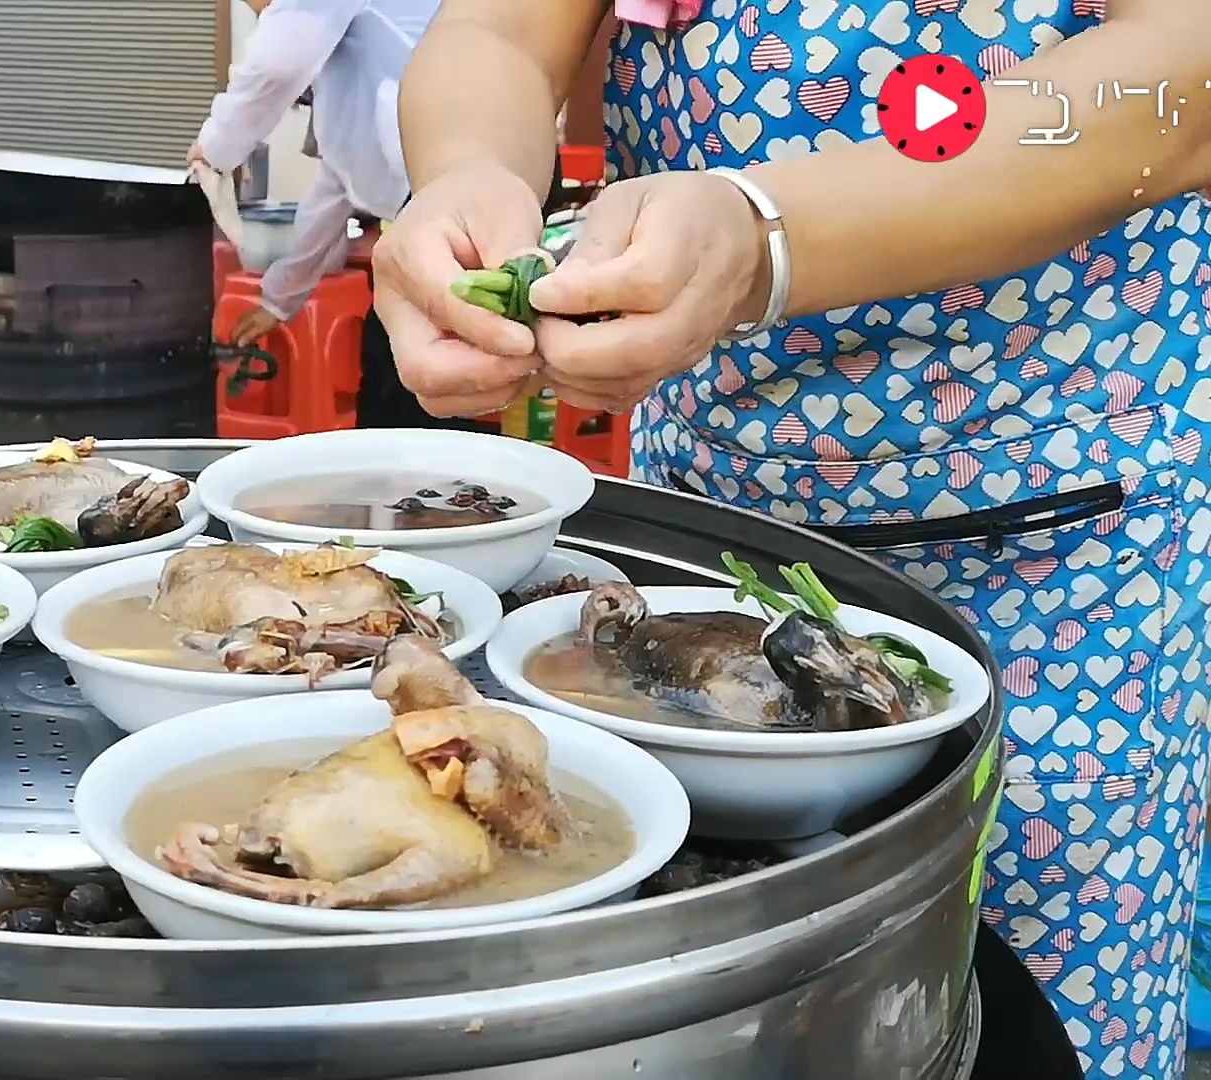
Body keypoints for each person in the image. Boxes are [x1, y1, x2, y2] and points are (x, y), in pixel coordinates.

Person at [374, 1, 1210, 1076]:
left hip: (1053, 553)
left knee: (1019, 999)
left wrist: (772, 234)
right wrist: (466, 175)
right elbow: (497, 35)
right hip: (707, 527)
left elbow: (1179, 82)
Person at [187, 0, 488, 427]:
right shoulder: (361, 56)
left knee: (423, 382)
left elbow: (275, 67)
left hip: (470, 190)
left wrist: (215, 147)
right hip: (449, 196)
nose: (260, 12)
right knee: (406, 375)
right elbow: (338, 177)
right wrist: (280, 299)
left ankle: (430, 486)